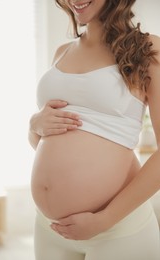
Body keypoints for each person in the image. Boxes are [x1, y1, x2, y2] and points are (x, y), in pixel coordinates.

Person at [28, 1, 160, 259]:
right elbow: (44, 143)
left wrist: (105, 219)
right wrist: (34, 124)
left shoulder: (148, 49)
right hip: (49, 227)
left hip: (116, 229)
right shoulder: (62, 52)